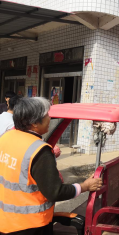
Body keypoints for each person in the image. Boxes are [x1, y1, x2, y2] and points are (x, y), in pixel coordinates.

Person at [0, 97, 103, 235]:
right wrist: (85, 186)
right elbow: (55, 192)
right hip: (31, 226)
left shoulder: (6, 137)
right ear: (34, 122)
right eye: (46, 115)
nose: (50, 118)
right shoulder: (39, 151)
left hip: (5, 221)